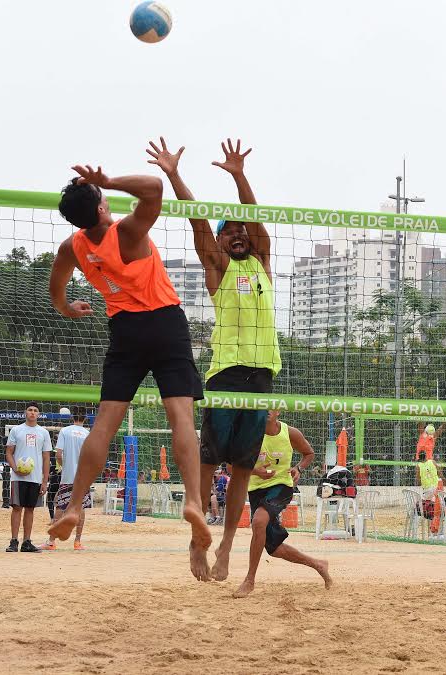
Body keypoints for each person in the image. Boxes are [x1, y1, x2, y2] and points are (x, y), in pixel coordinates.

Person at [47, 164, 211, 579]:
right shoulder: (128, 233)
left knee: (103, 425)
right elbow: (154, 187)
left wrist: (68, 308)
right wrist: (108, 180)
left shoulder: (74, 247)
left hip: (125, 332)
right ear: (103, 207)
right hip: (165, 324)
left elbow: (57, 288)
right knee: (181, 418)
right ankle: (193, 499)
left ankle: (72, 507)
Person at [147, 138, 282, 582]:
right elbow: (198, 220)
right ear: (221, 242)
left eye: (243, 230)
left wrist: (240, 176)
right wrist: (173, 175)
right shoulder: (218, 266)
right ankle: (197, 540)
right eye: (231, 231)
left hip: (261, 377)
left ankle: (226, 546)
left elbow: (256, 220)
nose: (239, 233)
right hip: (225, 376)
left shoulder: (260, 261)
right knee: (207, 465)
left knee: (242, 471)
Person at [233, 410, 332, 598]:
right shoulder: (249, 434)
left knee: (258, 521)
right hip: (256, 489)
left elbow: (309, 453)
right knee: (274, 549)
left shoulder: (290, 433)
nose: (265, 412)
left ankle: (249, 580)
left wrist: (298, 468)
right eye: (261, 408)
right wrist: (255, 471)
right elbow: (231, 466)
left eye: (269, 408)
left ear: (277, 411)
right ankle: (319, 564)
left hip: (282, 486)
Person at [42, 409, 91, 551]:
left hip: (68, 476)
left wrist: (66, 466)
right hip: (82, 477)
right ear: (85, 418)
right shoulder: (88, 434)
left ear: (71, 417)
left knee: (60, 506)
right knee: (80, 507)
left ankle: (51, 542)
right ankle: (77, 542)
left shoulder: (65, 431)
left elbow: (58, 454)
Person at [5, 402, 52, 553]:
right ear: (25, 413)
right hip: (18, 477)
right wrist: (15, 469)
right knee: (17, 508)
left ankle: (26, 542)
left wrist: (45, 481)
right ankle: (13, 541)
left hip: (35, 478)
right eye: (30, 410)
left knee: (30, 509)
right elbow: (9, 453)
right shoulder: (17, 430)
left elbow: (46, 458)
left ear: (38, 414)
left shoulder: (43, 433)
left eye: (35, 410)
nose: (32, 412)